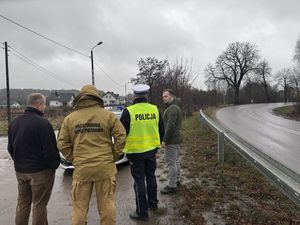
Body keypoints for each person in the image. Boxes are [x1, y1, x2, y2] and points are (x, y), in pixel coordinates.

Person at [57, 84, 126, 225]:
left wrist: (74, 160)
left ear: (80, 98)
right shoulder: (108, 115)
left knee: (79, 207)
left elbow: (62, 143)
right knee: (107, 204)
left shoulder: (70, 118)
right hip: (105, 167)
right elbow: (121, 136)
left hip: (82, 169)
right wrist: (113, 156)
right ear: (97, 97)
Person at [7, 93, 60, 225]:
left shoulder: (14, 122)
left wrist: (19, 162)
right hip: (40, 172)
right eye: (45, 104)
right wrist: (53, 165)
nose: (45, 107)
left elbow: (10, 147)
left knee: (23, 204)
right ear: (39, 104)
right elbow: (50, 150)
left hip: (20, 171)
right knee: (39, 205)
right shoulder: (43, 123)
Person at [120, 84, 164, 222]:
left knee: (139, 181)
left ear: (134, 96)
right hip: (151, 150)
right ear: (146, 95)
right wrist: (156, 145)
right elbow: (161, 130)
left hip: (135, 152)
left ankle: (142, 212)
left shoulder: (129, 111)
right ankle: (153, 204)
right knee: (151, 176)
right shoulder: (155, 109)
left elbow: (121, 133)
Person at [160, 89, 182, 194]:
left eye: (166, 96)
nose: (164, 98)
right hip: (176, 139)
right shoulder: (173, 107)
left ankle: (172, 185)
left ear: (171, 97)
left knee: (171, 163)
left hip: (172, 140)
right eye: (163, 96)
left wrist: (165, 140)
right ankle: (177, 180)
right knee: (176, 161)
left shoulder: (172, 108)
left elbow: (170, 126)